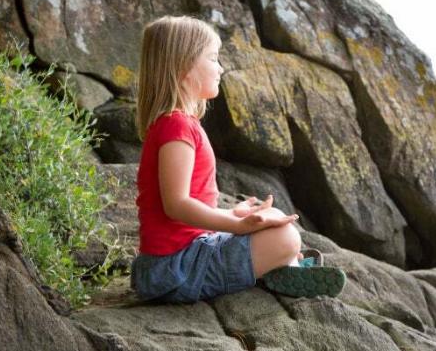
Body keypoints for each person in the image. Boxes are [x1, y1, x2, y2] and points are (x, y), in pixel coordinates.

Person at [130, 15, 345, 303]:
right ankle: (281, 268)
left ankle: (283, 266)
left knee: (276, 218)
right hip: (174, 269)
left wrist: (235, 214)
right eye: (213, 59)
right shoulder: (176, 127)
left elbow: (190, 207)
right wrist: (237, 226)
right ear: (184, 67)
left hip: (184, 257)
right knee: (286, 238)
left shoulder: (179, 124)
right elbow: (176, 205)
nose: (220, 68)